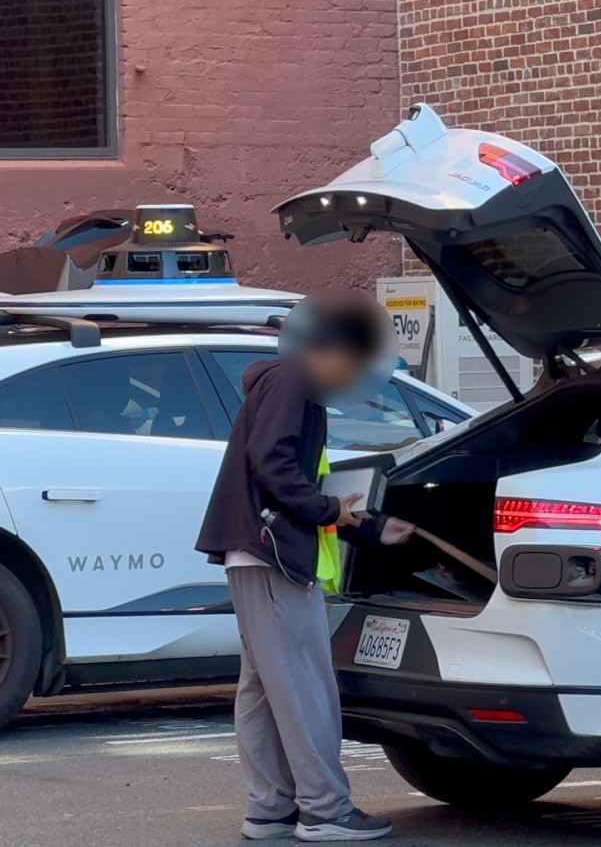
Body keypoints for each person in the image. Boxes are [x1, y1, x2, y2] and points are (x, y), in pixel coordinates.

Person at [196, 293, 413, 842]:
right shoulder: (293, 382)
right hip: (274, 554)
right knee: (302, 684)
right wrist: (328, 510)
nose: (353, 380)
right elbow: (273, 462)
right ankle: (326, 811)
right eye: (355, 365)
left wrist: (366, 525)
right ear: (336, 351)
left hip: (258, 550)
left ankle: (270, 808)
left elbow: (287, 469)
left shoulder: (286, 385)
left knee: (266, 688)